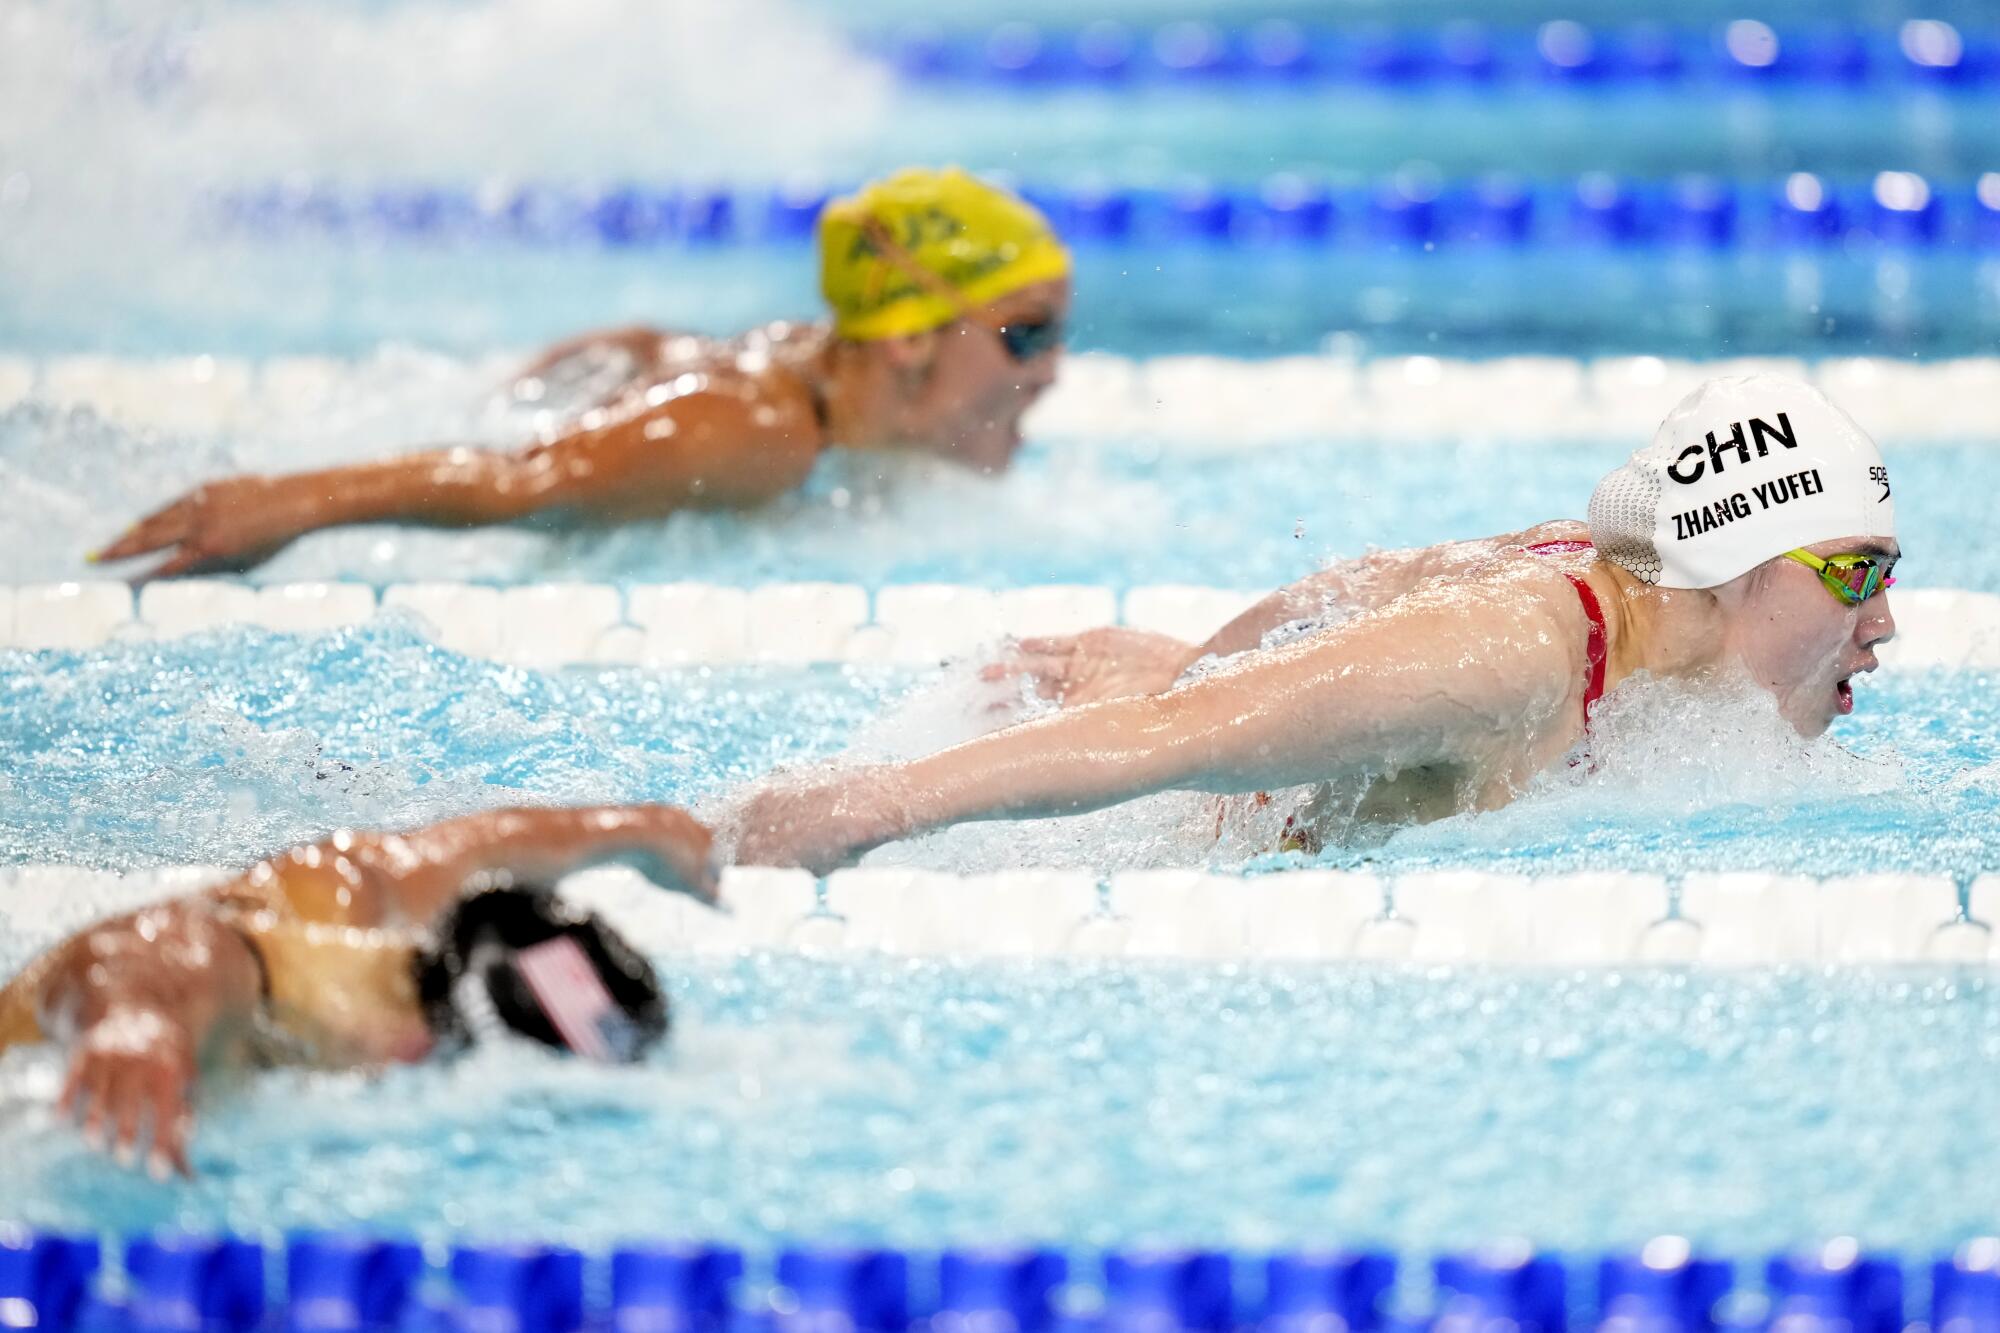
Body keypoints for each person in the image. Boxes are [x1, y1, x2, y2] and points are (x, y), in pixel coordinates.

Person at [733, 374, 1900, 869]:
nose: (1884, 623)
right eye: (1855, 574)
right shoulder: (1508, 660)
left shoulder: (1608, 579)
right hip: (1143, 843)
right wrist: (871, 806)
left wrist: (1186, 661)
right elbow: (1178, 745)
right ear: (1736, 558)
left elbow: (1371, 575)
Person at [90, 168, 1074, 578]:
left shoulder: (826, 381)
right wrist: (287, 501)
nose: (1050, 373)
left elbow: (654, 347)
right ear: (906, 338)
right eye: (1024, 336)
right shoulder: (753, 437)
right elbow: (520, 485)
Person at [0, 804, 718, 1177]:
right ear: (433, 1052)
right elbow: (161, 943)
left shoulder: (347, 899)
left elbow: (478, 843)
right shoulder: (244, 984)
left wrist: (635, 828)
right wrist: (135, 1019)